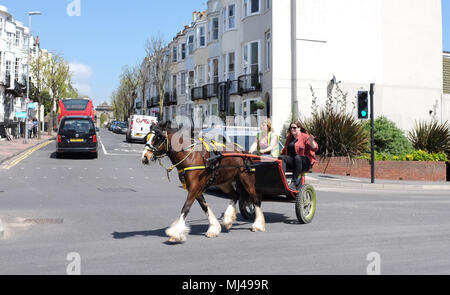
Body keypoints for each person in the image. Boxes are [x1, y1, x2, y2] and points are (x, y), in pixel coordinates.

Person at [279, 120, 318, 190]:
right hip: (293, 160)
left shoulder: (305, 137)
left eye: (294, 128)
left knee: (297, 158)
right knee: (281, 158)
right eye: (291, 128)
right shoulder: (289, 138)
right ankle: (282, 180)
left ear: (299, 128)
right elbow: (285, 149)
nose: (292, 129)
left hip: (305, 161)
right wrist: (280, 155)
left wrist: (312, 141)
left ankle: (294, 182)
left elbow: (315, 148)